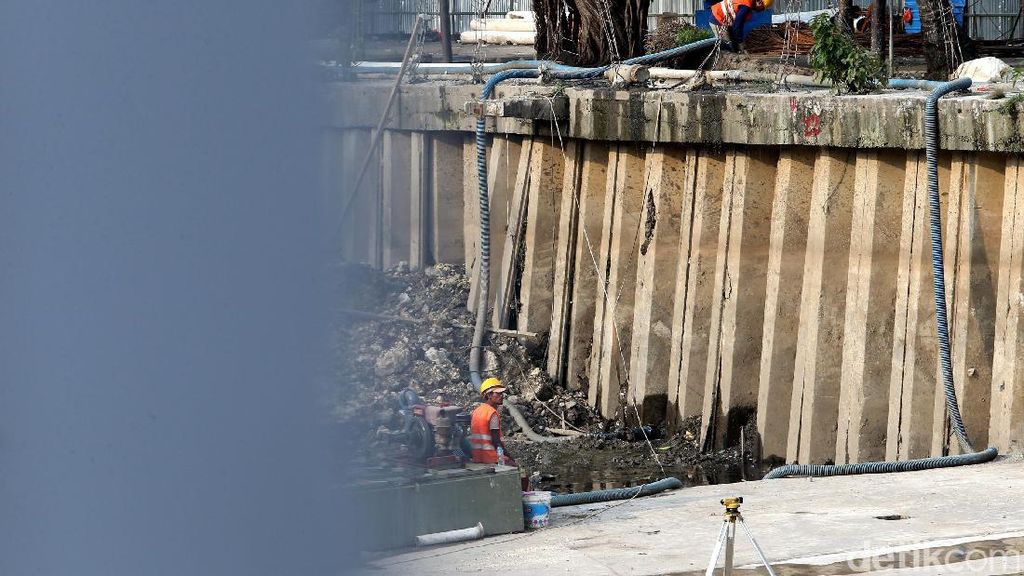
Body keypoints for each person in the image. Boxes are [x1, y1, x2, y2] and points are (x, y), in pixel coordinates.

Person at [470, 377, 514, 465]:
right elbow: (496, 441)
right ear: (489, 395)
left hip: (477, 457)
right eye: (498, 393)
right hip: (491, 457)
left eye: (502, 393)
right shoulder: (492, 413)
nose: (501, 396)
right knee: (517, 469)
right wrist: (510, 458)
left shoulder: (476, 411)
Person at [706, 0, 773, 52]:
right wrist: (740, 43)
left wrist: (737, 43)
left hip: (725, 22)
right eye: (761, 8)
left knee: (733, 45)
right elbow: (737, 25)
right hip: (717, 19)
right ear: (759, 2)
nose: (760, 11)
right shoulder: (746, 6)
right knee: (727, 46)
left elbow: (736, 26)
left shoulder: (747, 6)